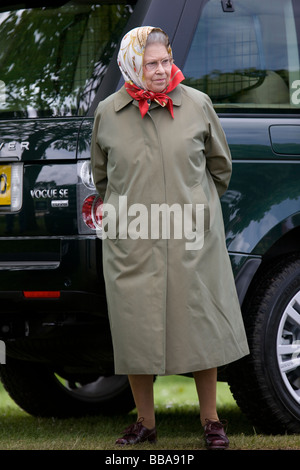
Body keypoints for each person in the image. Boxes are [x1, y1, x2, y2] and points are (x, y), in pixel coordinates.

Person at [91, 26, 249, 450]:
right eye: (151, 64)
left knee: (200, 326)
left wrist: (195, 208)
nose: (161, 71)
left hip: (192, 237)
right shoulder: (108, 112)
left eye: (166, 61)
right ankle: (145, 423)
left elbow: (220, 167)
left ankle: (212, 422)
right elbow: (102, 177)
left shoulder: (198, 104)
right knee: (135, 329)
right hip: (133, 238)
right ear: (132, 66)